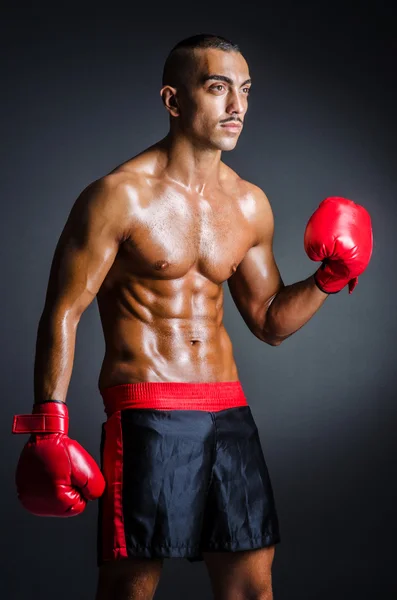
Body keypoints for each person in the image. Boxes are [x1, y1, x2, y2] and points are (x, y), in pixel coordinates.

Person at [12, 34, 373, 600]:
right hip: (149, 414)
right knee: (132, 584)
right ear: (173, 100)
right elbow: (63, 311)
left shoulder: (249, 203)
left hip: (230, 413)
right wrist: (47, 426)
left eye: (245, 90)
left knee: (253, 584)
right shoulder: (118, 196)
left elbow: (270, 321)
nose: (237, 106)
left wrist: (330, 278)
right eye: (218, 87)